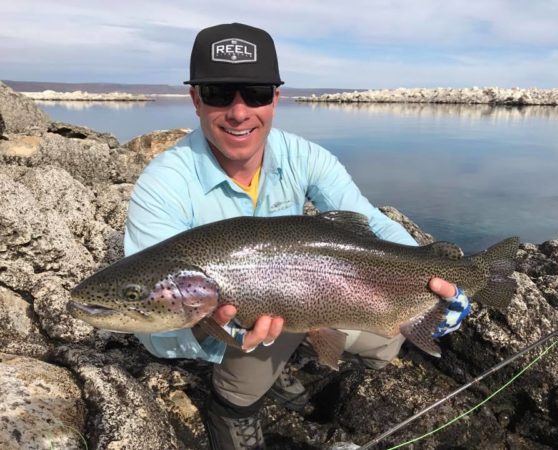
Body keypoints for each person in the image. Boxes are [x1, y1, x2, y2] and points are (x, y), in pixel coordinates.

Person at [124, 23, 471, 450]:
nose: (238, 111)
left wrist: (434, 275)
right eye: (218, 93)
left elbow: (368, 221)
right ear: (195, 99)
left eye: (255, 93)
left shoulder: (304, 156)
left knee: (389, 336)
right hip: (234, 317)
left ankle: (288, 355)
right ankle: (231, 405)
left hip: (305, 295)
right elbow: (153, 328)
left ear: (275, 97)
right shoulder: (163, 184)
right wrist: (217, 333)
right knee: (249, 360)